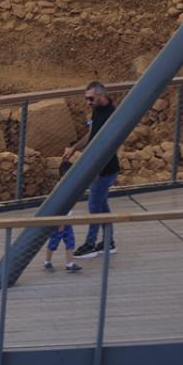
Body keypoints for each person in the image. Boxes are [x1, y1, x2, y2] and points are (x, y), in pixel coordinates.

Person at [64, 81, 120, 259]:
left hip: (104, 169)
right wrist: (74, 148)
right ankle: (109, 242)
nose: (88, 102)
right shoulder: (98, 110)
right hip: (102, 168)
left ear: (102, 95)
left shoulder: (111, 114)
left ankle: (90, 244)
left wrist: (96, 170)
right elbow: (92, 134)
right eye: (86, 99)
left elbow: (109, 146)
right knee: (102, 204)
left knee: (95, 205)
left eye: (91, 98)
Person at [44, 161, 83, 273]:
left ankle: (69, 263)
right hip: (60, 220)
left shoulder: (69, 186)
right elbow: (59, 205)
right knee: (53, 242)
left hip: (67, 220)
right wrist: (60, 221)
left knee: (70, 241)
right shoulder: (61, 188)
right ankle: (47, 262)